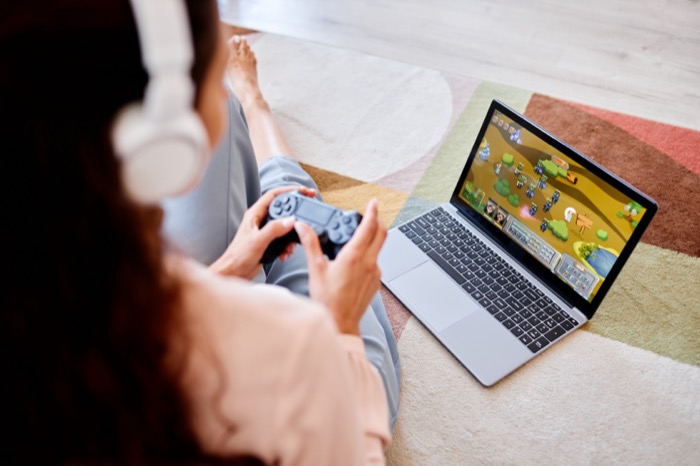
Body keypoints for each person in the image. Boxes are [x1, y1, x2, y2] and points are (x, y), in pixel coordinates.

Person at [1, 0, 396, 464]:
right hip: (324, 390)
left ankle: (259, 113)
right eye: (213, 76)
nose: (219, 90)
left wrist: (224, 270)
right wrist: (341, 329)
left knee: (280, 222)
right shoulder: (294, 345)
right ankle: (257, 105)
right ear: (162, 143)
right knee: (323, 242)